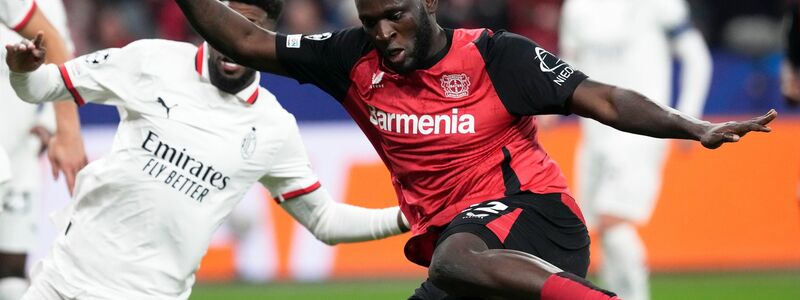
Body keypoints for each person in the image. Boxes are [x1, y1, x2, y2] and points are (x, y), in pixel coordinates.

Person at [175, 0, 777, 299]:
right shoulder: (348, 57)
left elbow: (607, 99)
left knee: (454, 255)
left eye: (395, 17)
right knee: (453, 256)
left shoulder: (497, 57)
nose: (383, 35)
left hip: (538, 219)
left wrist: (693, 126)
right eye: (371, 21)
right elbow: (245, 39)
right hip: (471, 249)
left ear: (429, 2)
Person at [5, 0, 410, 298]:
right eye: (224, 29)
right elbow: (44, 86)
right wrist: (23, 73)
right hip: (62, 278)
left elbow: (325, 221)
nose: (229, 45)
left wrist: (407, 216)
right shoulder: (152, 60)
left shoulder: (273, 127)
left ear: (262, 40)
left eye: (245, 32)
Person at [558, 0, 712, 299]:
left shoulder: (659, 4)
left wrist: (687, 119)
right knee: (598, 230)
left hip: (643, 130)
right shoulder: (576, 7)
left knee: (612, 220)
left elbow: (697, 57)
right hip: (594, 135)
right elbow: (566, 65)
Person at [0, 0, 86, 298]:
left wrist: (59, 126)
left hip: (20, 150)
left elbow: (57, 48)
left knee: (11, 270)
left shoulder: (41, 4)